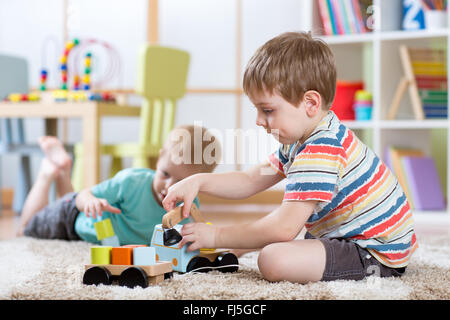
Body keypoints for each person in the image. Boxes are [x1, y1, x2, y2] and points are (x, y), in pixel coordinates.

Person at [162, 32, 418, 284]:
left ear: (310, 103)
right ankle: (241, 245)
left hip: (372, 252)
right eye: (257, 110)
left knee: (273, 259)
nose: (259, 121)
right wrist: (198, 181)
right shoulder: (302, 137)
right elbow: (250, 180)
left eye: (268, 110)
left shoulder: (320, 149)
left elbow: (284, 229)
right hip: (351, 237)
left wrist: (217, 236)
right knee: (275, 244)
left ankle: (241, 245)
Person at [17, 124, 222, 246]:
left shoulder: (189, 205)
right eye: (165, 173)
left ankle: (62, 170)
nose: (169, 187)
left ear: (198, 183)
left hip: (89, 234)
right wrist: (91, 202)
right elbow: (83, 196)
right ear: (159, 160)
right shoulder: (131, 182)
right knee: (24, 232)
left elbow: (183, 237)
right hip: (70, 216)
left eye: (181, 182)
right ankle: (47, 172)